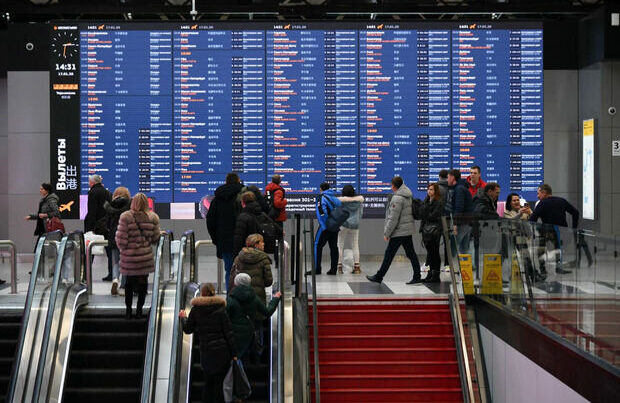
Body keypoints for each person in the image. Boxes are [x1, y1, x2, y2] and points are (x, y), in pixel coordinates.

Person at [179, 283, 237, 403]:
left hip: (207, 352)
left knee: (208, 383)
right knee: (219, 384)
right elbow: (229, 333)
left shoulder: (196, 310)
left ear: (202, 294)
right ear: (213, 293)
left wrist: (183, 317)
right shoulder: (221, 309)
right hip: (222, 352)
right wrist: (234, 353)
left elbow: (188, 329)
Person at [366, 176, 421, 285]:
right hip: (407, 230)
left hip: (399, 231)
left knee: (389, 254)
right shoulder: (407, 195)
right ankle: (417, 276)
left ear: (394, 186)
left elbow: (393, 218)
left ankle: (379, 276)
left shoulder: (397, 198)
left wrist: (387, 233)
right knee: (411, 254)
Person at [115, 193, 160, 319]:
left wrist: (125, 249)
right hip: (144, 257)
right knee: (142, 284)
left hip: (129, 257)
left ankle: (128, 311)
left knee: (128, 284)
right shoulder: (152, 217)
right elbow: (155, 238)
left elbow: (121, 239)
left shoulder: (126, 217)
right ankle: (139, 310)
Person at [227, 273, 280, 361]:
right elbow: (267, 312)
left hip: (234, 333)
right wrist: (275, 299)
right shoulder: (254, 298)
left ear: (236, 283)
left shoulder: (231, 299)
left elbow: (225, 317)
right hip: (249, 332)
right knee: (246, 354)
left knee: (236, 357)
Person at [529, 184, 579, 275]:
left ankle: (542, 269)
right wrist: (574, 228)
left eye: (538, 193)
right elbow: (575, 213)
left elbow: (532, 219)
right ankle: (558, 268)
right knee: (558, 249)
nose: (537, 196)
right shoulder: (562, 201)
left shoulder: (542, 203)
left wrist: (535, 230)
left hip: (546, 232)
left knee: (541, 249)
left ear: (544, 193)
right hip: (561, 232)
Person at [207, 173, 244, 291]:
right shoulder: (244, 195)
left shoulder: (217, 199)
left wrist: (215, 239)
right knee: (245, 269)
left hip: (224, 240)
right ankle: (244, 299)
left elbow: (210, 221)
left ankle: (230, 297)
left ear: (226, 181)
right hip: (243, 239)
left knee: (229, 270)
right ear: (238, 181)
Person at [231, 234, 273, 310]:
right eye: (261, 242)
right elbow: (268, 282)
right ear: (256, 244)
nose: (264, 243)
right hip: (258, 298)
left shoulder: (238, 258)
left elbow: (232, 278)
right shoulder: (264, 259)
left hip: (241, 298)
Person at [103, 186, 131, 295]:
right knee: (125, 262)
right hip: (126, 235)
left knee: (115, 261)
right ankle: (123, 286)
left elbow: (107, 223)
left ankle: (115, 279)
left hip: (113, 235)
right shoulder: (130, 205)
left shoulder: (109, 205)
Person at [84, 174, 113, 281]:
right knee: (109, 250)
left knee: (90, 250)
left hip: (95, 226)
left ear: (92, 182)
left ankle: (86, 275)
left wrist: (89, 228)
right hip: (106, 225)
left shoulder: (92, 192)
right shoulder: (107, 193)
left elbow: (92, 211)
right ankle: (112, 274)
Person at [418, 183, 444, 283]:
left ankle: (436, 275)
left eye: (432, 189)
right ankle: (430, 274)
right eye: (428, 189)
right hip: (426, 231)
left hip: (434, 231)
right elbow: (421, 214)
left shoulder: (438, 202)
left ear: (436, 191)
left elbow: (433, 215)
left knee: (435, 254)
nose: (429, 191)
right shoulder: (426, 200)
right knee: (430, 254)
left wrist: (425, 213)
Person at [314, 182, 340, 275]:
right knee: (334, 247)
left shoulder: (321, 198)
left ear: (321, 189)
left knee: (317, 245)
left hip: (326, 226)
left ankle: (317, 269)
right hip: (335, 226)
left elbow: (321, 212)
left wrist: (325, 226)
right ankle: (333, 270)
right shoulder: (334, 198)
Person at [337, 185, 364, 274]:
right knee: (355, 245)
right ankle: (357, 267)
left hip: (343, 225)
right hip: (355, 226)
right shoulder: (359, 202)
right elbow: (361, 213)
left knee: (340, 245)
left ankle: (339, 267)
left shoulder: (341, 202)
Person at [446, 169, 474, 256]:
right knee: (464, 248)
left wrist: (455, 224)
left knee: (453, 246)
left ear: (452, 177)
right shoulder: (462, 188)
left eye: (448, 177)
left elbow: (459, 208)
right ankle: (468, 267)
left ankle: (451, 267)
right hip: (467, 222)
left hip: (462, 223)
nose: (447, 180)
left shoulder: (459, 189)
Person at [232, 192, 262, 258]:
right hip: (259, 252)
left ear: (243, 203)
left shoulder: (243, 217)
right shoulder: (261, 214)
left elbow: (239, 238)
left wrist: (235, 256)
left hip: (246, 253)